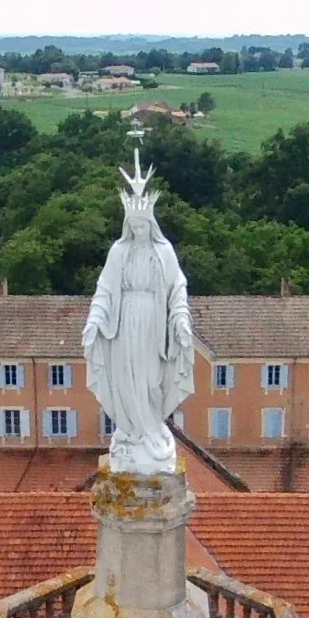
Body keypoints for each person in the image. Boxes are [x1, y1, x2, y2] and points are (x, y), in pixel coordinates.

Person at [82, 154, 194, 475]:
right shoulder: (119, 252)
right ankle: (132, 433)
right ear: (128, 226)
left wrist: (182, 321)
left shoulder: (164, 252)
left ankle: (151, 431)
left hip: (153, 325)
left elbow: (177, 289)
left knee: (149, 381)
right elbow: (104, 290)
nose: (140, 231)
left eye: (145, 226)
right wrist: (94, 323)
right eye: (135, 226)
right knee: (127, 380)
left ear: (152, 225)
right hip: (125, 324)